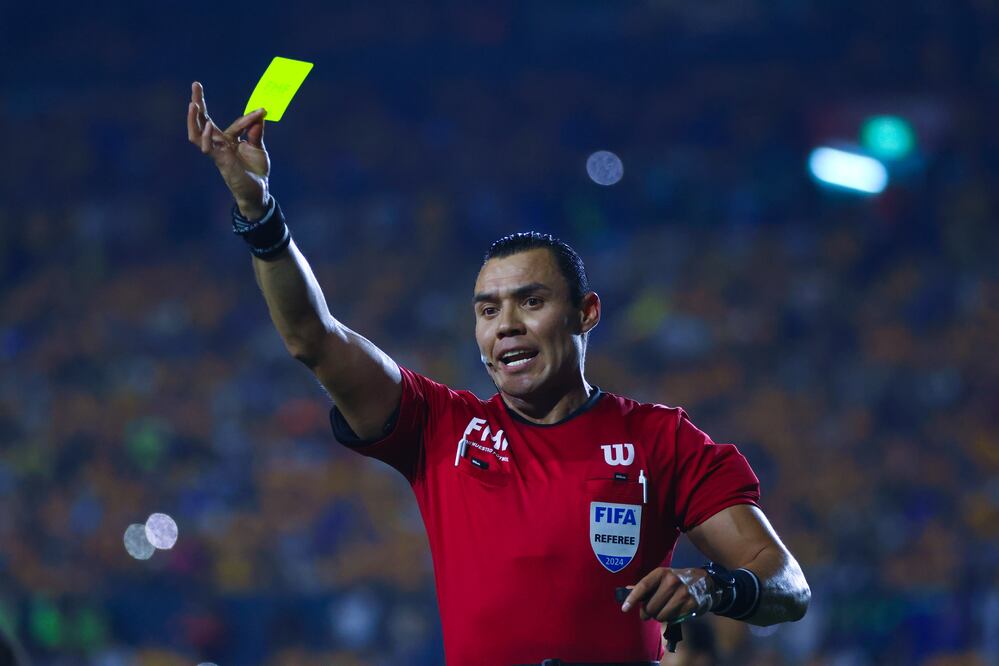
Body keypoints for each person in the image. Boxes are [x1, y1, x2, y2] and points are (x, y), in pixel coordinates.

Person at [186, 81, 810, 666]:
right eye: (487, 310)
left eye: (530, 303)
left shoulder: (662, 440)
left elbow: (786, 584)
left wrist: (714, 587)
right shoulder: (439, 426)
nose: (504, 325)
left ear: (586, 313)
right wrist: (258, 211)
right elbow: (313, 338)